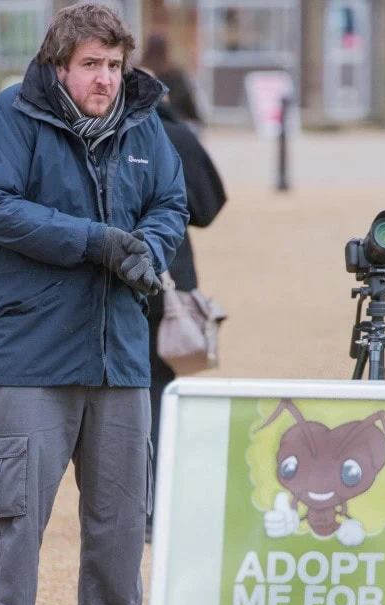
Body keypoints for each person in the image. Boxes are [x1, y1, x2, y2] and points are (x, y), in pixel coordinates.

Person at [0, 3, 188, 605]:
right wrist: (94, 240)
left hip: (121, 358)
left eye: (115, 66)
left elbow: (172, 202)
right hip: (32, 355)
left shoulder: (144, 123)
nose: (106, 80)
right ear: (60, 66)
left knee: (122, 521)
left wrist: (146, 245)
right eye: (91, 65)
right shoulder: (9, 118)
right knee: (14, 518)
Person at [146, 96, 227, 541]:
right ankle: (157, 505)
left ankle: (121, 505)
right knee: (161, 386)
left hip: (102, 276)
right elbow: (210, 207)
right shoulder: (175, 135)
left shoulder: (91, 126)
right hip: (168, 280)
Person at [140, 33, 204, 136]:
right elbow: (188, 102)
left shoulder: (139, 71)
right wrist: (197, 119)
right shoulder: (175, 74)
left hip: (143, 126)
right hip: (173, 124)